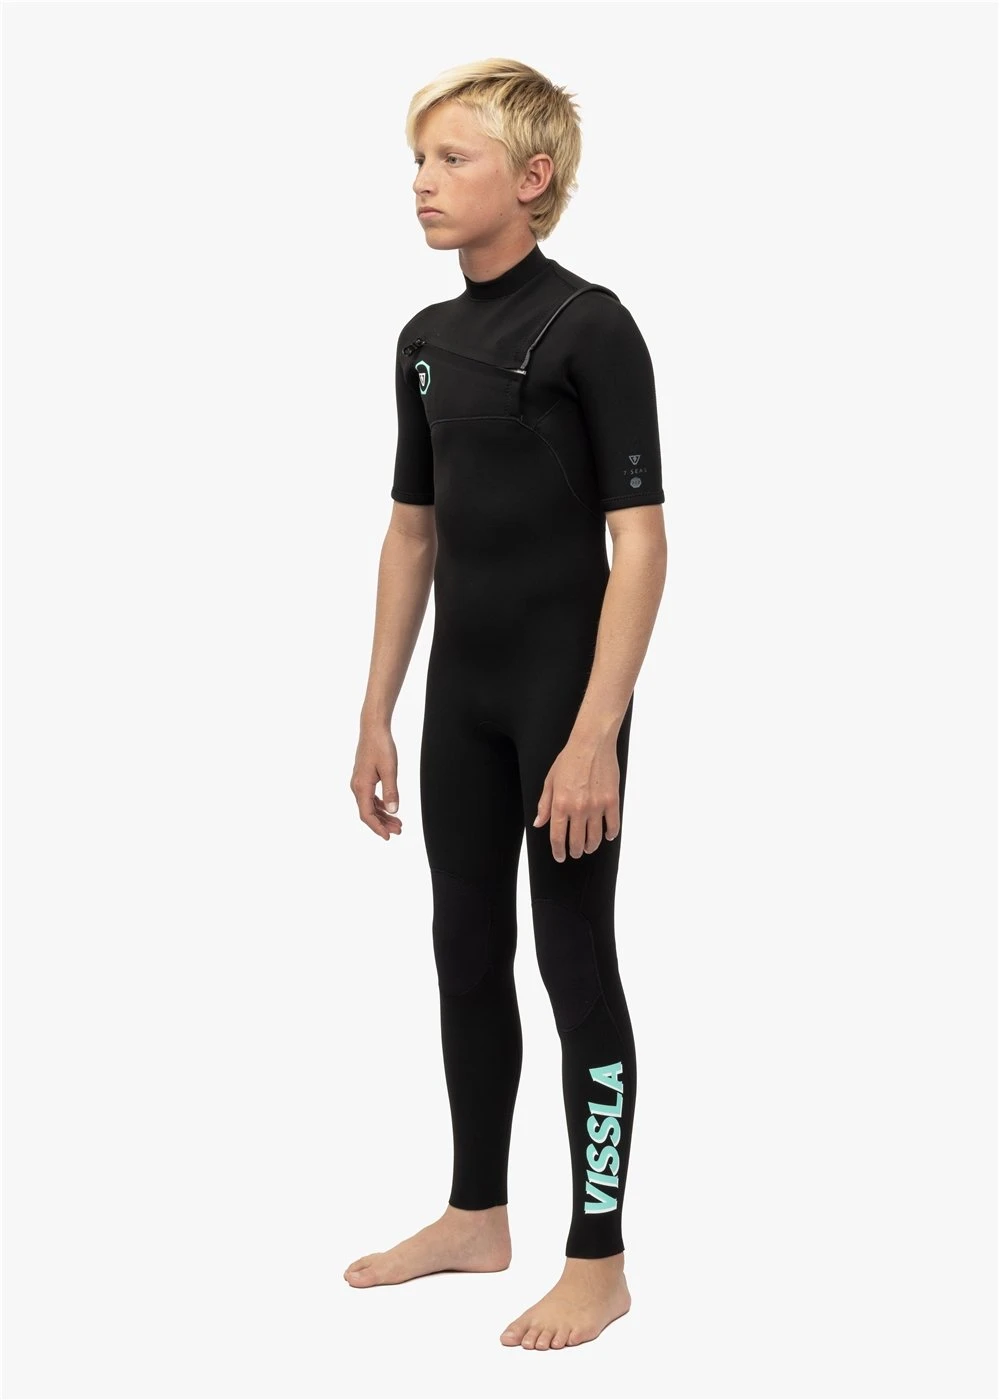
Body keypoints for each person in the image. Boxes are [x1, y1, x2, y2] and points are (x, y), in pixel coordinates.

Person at [345, 58, 668, 1350]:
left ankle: (600, 1257)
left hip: (561, 705)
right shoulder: (424, 342)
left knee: (574, 960)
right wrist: (375, 710)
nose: (423, 184)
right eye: (417, 162)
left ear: (532, 179)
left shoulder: (591, 326)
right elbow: (411, 533)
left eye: (452, 159)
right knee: (465, 951)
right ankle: (477, 1214)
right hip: (460, 701)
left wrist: (594, 737)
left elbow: (641, 545)